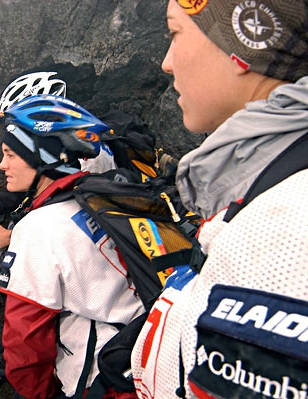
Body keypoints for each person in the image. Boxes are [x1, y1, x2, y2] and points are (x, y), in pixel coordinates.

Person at [131, 1, 308, 398]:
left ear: (248, 42)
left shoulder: (284, 232)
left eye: (175, 33)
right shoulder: (274, 185)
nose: (166, 63)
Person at [0, 94, 144, 399]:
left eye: (11, 154)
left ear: (42, 159)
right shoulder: (94, 199)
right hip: (140, 358)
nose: (2, 164)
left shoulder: (38, 228)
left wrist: (39, 394)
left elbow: (25, 341)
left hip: (99, 380)